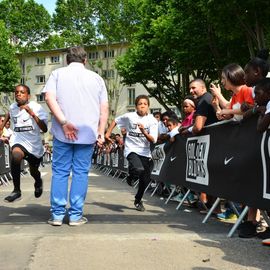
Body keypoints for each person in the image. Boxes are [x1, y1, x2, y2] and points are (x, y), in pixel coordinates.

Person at [43, 46, 109, 226]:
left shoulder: (57, 74)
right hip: (87, 133)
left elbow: (49, 98)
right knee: (80, 173)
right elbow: (104, 109)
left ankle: (57, 215)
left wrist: (64, 122)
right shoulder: (97, 79)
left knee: (60, 172)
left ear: (67, 60)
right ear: (85, 60)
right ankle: (75, 215)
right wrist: (101, 132)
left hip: (63, 132)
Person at [105, 95, 158, 211]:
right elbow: (115, 120)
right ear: (136, 106)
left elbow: (153, 139)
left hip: (145, 152)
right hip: (131, 149)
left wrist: (144, 131)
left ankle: (138, 200)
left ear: (148, 106)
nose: (142, 106)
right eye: (140, 104)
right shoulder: (129, 116)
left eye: (145, 104)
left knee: (145, 180)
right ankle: (131, 176)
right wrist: (108, 133)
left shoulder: (152, 121)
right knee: (138, 169)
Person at [0, 84, 48, 202]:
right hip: (19, 140)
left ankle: (38, 181)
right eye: (16, 92)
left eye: (22, 92)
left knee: (33, 171)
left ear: (28, 95)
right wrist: (1, 128)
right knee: (16, 155)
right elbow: (8, 115)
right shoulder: (12, 107)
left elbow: (45, 129)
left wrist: (31, 113)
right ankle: (17, 190)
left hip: (34, 145)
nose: (18, 94)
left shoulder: (36, 107)